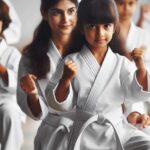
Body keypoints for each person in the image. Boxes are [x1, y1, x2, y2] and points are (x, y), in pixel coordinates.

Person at [45, 0, 150, 149]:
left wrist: (140, 66)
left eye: (106, 26)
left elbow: (136, 94)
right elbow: (58, 104)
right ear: (81, 28)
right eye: (92, 26)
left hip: (116, 128)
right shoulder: (71, 61)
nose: (100, 33)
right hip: (85, 133)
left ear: (114, 27)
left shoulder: (121, 63)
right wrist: (65, 79)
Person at [17, 0, 79, 149]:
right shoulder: (31, 56)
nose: (66, 20)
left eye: (71, 11)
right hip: (52, 134)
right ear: (44, 14)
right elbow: (37, 113)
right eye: (57, 12)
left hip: (88, 133)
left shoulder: (90, 48)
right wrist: (32, 94)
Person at [115, 0, 150, 133]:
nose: (126, 8)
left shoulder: (143, 35)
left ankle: (135, 114)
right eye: (121, 3)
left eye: (130, 3)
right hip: (114, 90)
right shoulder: (106, 34)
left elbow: (146, 67)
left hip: (137, 90)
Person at [0, 1, 25, 150]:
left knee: (9, 111)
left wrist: (2, 70)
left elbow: (20, 84)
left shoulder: (12, 54)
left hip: (6, 101)